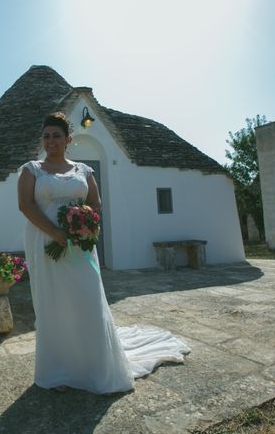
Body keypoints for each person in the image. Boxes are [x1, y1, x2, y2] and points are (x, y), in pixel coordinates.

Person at [17, 112, 190, 394]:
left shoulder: (84, 171)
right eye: (46, 135)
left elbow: (95, 205)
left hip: (79, 244)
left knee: (87, 298)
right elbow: (26, 205)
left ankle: (94, 365)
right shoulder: (31, 169)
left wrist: (82, 227)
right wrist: (56, 233)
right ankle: (59, 368)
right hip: (43, 242)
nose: (51, 141)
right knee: (53, 300)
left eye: (57, 135)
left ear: (68, 139)